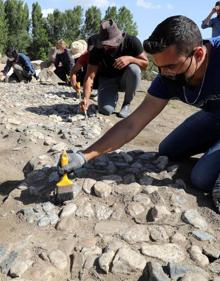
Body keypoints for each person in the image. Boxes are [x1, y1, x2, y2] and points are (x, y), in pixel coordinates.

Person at [58, 15, 220, 213]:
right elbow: (131, 124)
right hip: (214, 115)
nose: (164, 74)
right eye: (159, 67)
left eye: (170, 66)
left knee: (201, 178)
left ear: (199, 55)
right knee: (168, 150)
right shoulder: (167, 76)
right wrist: (84, 156)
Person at [81, 19, 148, 118]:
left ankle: (126, 104)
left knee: (134, 69)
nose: (107, 47)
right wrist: (85, 98)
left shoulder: (131, 41)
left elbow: (145, 64)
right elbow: (89, 77)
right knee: (105, 110)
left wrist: (130, 59)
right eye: (104, 44)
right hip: (107, 80)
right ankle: (110, 98)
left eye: (110, 44)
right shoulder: (96, 49)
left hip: (125, 79)